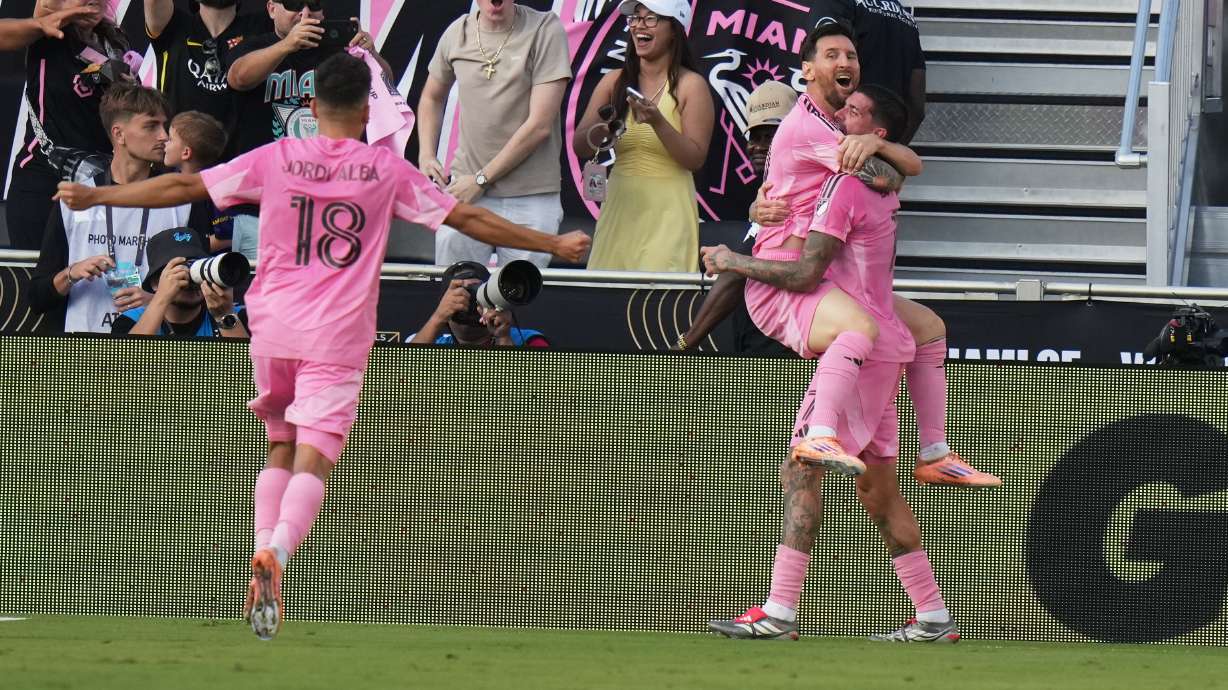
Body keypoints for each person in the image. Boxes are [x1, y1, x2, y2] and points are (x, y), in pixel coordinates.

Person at [54, 52, 591, 641]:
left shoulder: (278, 157)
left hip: (273, 324)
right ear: (366, 112)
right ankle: (279, 552)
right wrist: (550, 243)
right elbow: (467, 218)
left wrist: (98, 198)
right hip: (336, 331)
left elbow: (186, 183)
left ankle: (259, 548)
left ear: (311, 108)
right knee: (317, 450)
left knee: (279, 442)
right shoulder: (384, 170)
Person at [703, 25, 959, 643]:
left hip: (851, 328)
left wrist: (735, 256)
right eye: (833, 56)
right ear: (810, 68)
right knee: (876, 488)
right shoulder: (829, 155)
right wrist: (773, 205)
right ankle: (932, 612)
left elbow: (813, 262)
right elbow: (894, 175)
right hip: (882, 334)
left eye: (849, 57)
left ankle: (781, 610)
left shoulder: (833, 155)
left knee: (804, 470)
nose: (844, 68)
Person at [682, 81, 999, 488]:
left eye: (852, 111)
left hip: (862, 312)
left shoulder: (851, 176)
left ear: (874, 134)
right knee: (808, 484)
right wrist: (752, 220)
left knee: (928, 331)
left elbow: (900, 172)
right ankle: (824, 435)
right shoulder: (838, 172)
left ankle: (932, 452)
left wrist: (743, 238)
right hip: (835, 308)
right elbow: (798, 259)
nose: (839, 115)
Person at [223, 0, 386, 260]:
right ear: (272, 9)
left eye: (315, 5)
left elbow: (384, 91)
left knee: (327, 295)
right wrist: (288, 45)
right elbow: (238, 77)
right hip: (262, 209)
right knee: (261, 296)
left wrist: (372, 55)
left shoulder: (339, 51)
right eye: (294, 4)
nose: (306, 13)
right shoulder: (254, 46)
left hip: (329, 208)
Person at [417, 0, 572, 269]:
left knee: (518, 303)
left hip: (530, 196)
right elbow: (431, 96)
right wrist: (426, 154)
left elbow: (539, 125)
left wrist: (481, 179)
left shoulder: (545, 28)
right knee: (456, 295)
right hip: (467, 192)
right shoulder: (457, 33)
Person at [28, 83, 190, 333]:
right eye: (151, 126)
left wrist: (157, 301)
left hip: (152, 354)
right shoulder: (75, 200)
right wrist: (71, 274)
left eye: (164, 125)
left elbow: (201, 290)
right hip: (84, 351)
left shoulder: (180, 199)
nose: (164, 136)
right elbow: (37, 297)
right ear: (119, 134)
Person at [574, 0, 714, 273]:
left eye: (650, 19)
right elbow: (580, 145)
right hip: (620, 206)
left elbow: (695, 158)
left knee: (656, 301)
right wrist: (601, 130)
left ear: (673, 29)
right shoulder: (614, 81)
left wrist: (658, 122)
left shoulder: (690, 85)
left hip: (668, 211)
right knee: (606, 297)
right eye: (635, 19)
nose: (639, 25)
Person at [0, 0, 131, 249]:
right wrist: (39, 24)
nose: (90, 5)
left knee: (94, 278)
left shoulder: (114, 42)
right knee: (40, 281)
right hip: (43, 181)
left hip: (95, 183)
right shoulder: (52, 33)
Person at [144, 0, 271, 161]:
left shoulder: (262, 26)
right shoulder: (174, 26)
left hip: (241, 170)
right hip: (181, 168)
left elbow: (296, 10)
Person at [807, 0, 925, 142]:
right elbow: (917, 106)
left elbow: (826, 67)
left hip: (841, 143)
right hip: (880, 142)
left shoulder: (835, 4)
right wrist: (891, 150)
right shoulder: (906, 17)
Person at [111, 227, 249, 337]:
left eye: (194, 268)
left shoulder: (237, 317)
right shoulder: (130, 321)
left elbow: (249, 370)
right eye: (179, 269)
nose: (189, 279)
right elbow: (126, 365)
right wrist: (162, 298)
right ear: (154, 283)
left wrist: (224, 315)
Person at [409, 261, 550, 348]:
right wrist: (438, 318)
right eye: (458, 293)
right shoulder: (430, 344)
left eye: (476, 291)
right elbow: (401, 380)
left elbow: (535, 390)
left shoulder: (529, 341)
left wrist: (504, 338)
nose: (468, 298)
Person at [163, 110, 234, 252]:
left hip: (205, 268)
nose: (165, 143)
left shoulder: (214, 188)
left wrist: (187, 250)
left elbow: (226, 237)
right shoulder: (169, 178)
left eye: (170, 139)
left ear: (186, 153)